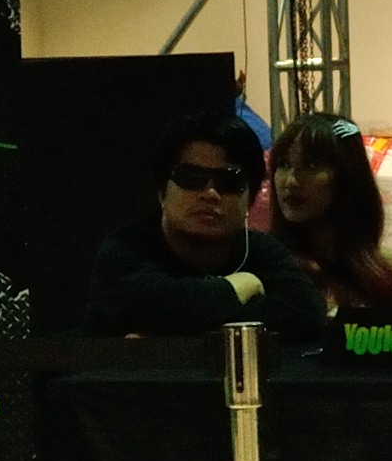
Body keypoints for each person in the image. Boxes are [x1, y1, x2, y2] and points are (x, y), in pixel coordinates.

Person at [83, 109, 331, 344]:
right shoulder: (127, 248)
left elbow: (306, 313)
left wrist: (171, 331)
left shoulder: (261, 251)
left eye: (229, 181)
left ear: (251, 199)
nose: (210, 193)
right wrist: (238, 286)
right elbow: (153, 305)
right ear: (161, 193)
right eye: (191, 178)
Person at [270, 113, 392, 317]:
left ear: (347, 175)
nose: (290, 181)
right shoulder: (269, 266)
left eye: (311, 166)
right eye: (283, 164)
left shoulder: (384, 269)